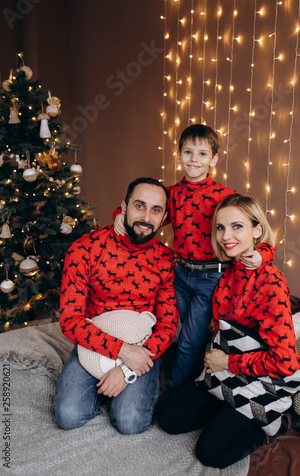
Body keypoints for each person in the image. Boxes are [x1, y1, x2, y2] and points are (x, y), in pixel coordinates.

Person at [114, 125, 273, 390]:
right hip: (179, 273)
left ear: (213, 160)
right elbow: (144, 213)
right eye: (188, 152)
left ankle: (176, 390)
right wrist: (118, 216)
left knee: (189, 338)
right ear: (178, 155)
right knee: (166, 327)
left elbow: (259, 235)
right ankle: (154, 375)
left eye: (202, 154)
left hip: (209, 277)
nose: (194, 160)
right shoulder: (171, 195)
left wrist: (261, 254)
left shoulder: (225, 196)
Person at [157, 193, 300, 469]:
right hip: (222, 374)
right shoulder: (228, 268)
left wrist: (229, 362)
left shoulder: (271, 285)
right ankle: (225, 407)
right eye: (220, 227)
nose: (225, 235)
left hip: (257, 379)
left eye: (237, 226)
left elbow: (286, 362)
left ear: (256, 230)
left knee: (211, 453)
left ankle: (275, 423)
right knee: (168, 418)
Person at [54, 177, 178, 435]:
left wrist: (126, 370)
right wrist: (120, 350)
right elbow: (69, 320)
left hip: (141, 347)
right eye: (139, 206)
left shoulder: (166, 260)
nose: (146, 217)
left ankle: (116, 387)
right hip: (93, 342)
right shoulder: (84, 249)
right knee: (68, 415)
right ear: (123, 207)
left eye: (156, 210)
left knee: (131, 423)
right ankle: (103, 385)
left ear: (164, 216)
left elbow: (167, 325)